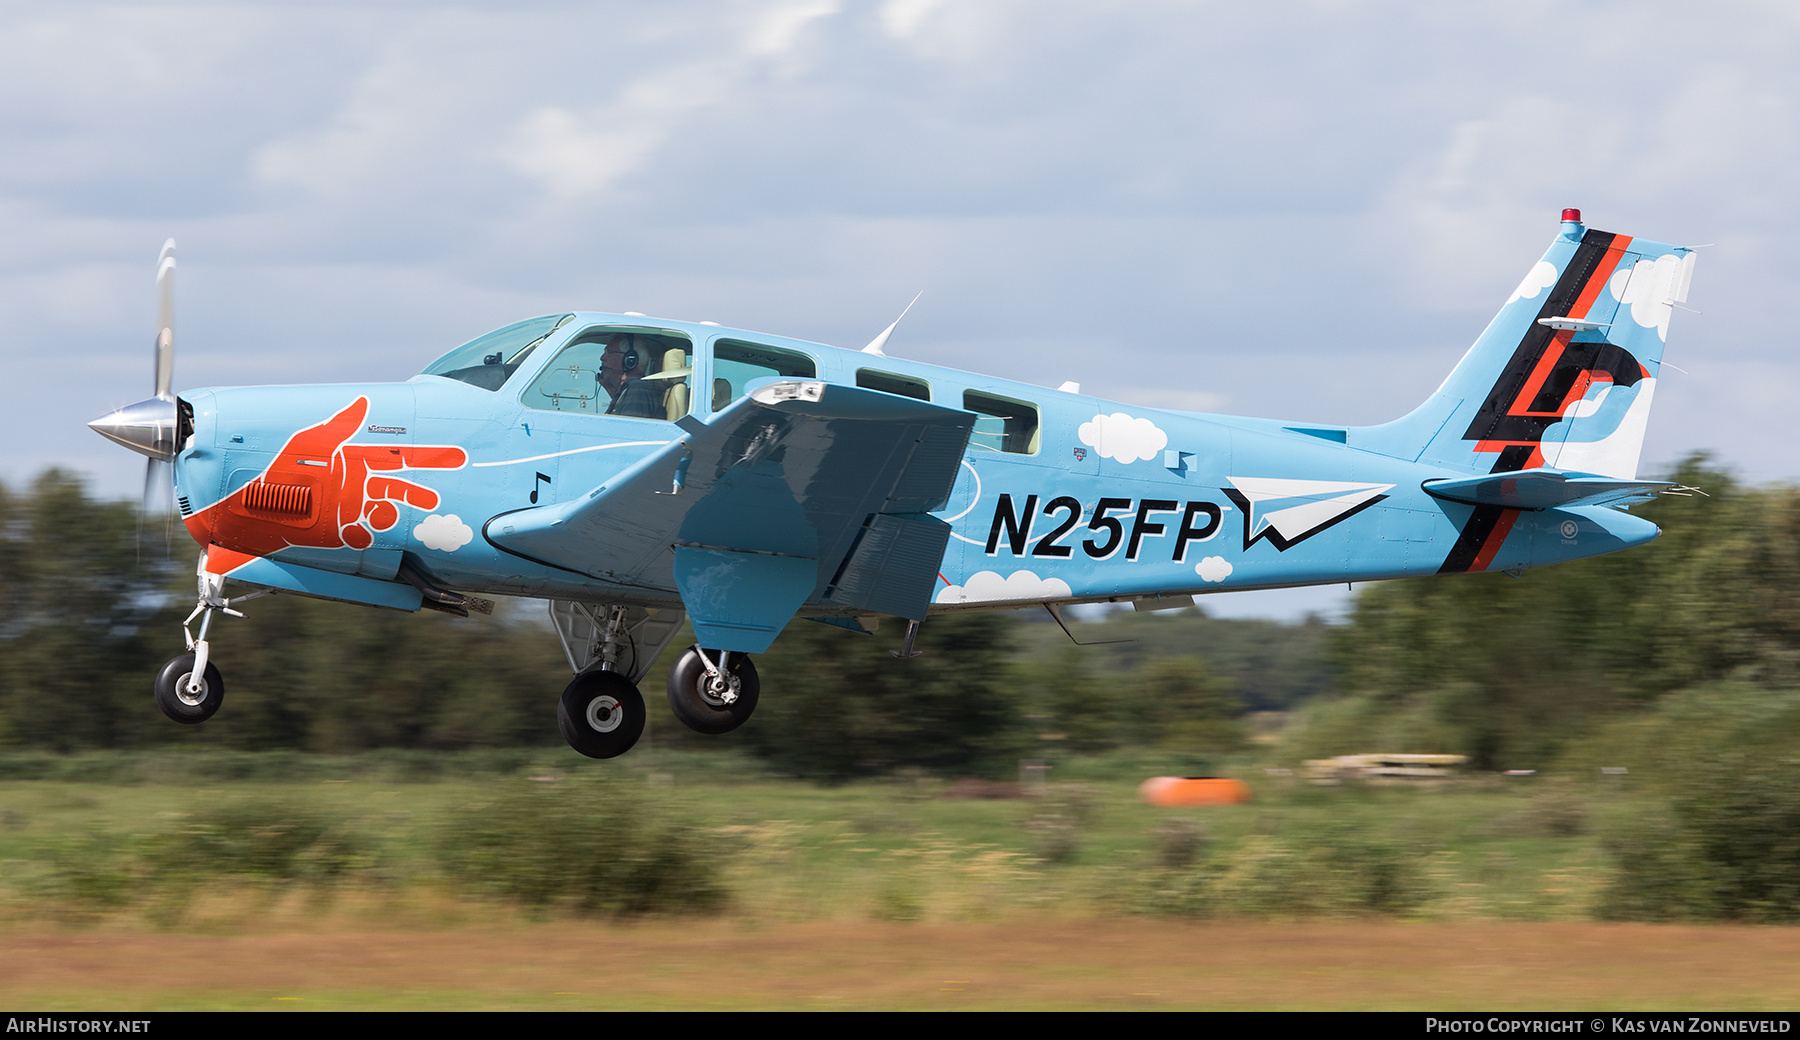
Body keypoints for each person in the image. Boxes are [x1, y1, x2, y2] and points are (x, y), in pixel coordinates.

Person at [599, 334, 665, 418]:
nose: (602, 357)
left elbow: (629, 429)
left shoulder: (638, 389)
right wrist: (612, 390)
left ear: (630, 360)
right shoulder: (631, 389)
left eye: (609, 352)